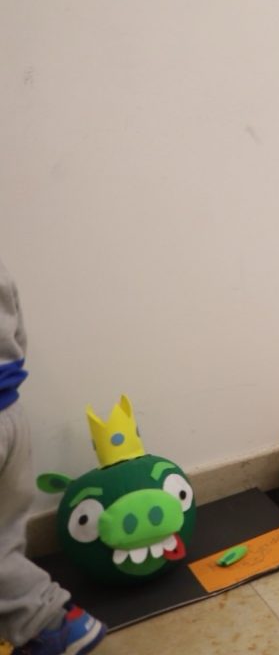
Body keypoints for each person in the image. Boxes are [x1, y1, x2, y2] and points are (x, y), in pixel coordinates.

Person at [0, 258, 104, 655]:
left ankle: (49, 623)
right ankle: (51, 621)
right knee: (3, 535)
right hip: (10, 413)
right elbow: (18, 333)